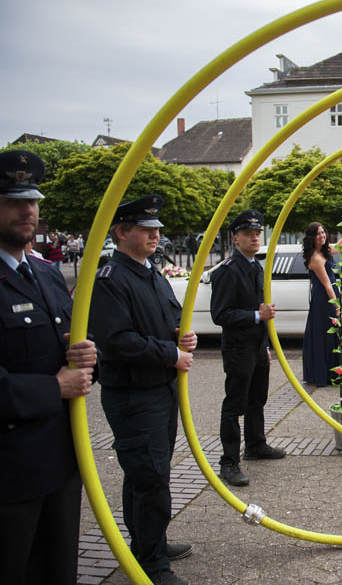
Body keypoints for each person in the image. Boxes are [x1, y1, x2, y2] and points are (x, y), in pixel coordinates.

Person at [89, 194, 197, 585]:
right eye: (146, 229)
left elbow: (163, 321)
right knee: (149, 477)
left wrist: (180, 337)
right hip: (133, 395)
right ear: (121, 232)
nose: (155, 235)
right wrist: (170, 353)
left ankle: (149, 543)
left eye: (156, 229)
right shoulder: (110, 279)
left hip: (158, 390)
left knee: (148, 474)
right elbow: (117, 341)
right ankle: (152, 565)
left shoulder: (152, 274)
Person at [0, 150, 97, 585]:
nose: (28, 211)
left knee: (58, 570)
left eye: (33, 201)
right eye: (12, 201)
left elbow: (65, 347)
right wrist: (53, 388)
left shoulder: (47, 274)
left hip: (60, 461)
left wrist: (87, 356)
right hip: (10, 472)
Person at [211, 210, 285, 487]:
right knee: (235, 405)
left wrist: (264, 344)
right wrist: (256, 316)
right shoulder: (228, 271)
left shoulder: (256, 267)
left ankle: (255, 444)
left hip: (255, 346)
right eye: (247, 234)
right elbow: (220, 314)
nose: (254, 238)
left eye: (257, 234)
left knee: (257, 399)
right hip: (238, 348)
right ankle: (229, 462)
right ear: (235, 239)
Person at [302, 222, 342, 387]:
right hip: (324, 299)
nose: (322, 236)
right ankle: (326, 374)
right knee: (327, 334)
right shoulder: (316, 258)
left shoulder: (325, 251)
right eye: (318, 234)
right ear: (312, 237)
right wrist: (337, 306)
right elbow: (327, 285)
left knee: (333, 333)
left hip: (330, 296)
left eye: (323, 232)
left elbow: (338, 247)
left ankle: (334, 372)